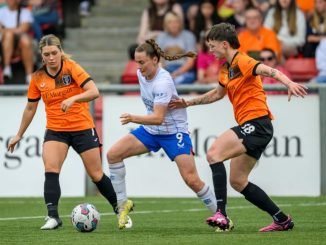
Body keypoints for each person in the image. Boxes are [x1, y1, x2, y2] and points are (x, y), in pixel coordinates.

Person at [169, 23, 308, 232]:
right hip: (253, 125)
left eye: (212, 46)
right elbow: (217, 94)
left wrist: (288, 82)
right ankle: (281, 219)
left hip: (258, 123)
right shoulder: (226, 69)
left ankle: (221, 215)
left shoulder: (242, 60)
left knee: (214, 154)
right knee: (238, 181)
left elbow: (268, 70)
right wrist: (188, 102)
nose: (211, 50)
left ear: (224, 44)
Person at [7, 34, 132, 230]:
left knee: (96, 174)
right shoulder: (37, 77)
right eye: (46, 54)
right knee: (51, 170)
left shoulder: (71, 67)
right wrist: (19, 134)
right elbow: (30, 108)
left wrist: (73, 99)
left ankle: (120, 210)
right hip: (56, 130)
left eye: (54, 53)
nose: (51, 58)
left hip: (82, 127)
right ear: (41, 55)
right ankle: (53, 217)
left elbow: (94, 91)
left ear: (60, 51)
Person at [106, 39, 218, 227]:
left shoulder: (163, 82)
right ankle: (122, 204)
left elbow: (158, 117)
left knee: (191, 179)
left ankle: (221, 215)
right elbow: (155, 121)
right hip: (152, 131)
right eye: (136, 62)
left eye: (142, 62)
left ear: (155, 60)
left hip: (174, 132)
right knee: (113, 155)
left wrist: (133, 117)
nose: (138, 67)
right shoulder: (141, 74)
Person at [156, 11, 197, 84]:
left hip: (184, 70)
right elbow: (159, 60)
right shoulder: (161, 37)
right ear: (165, 24)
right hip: (167, 69)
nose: (173, 25)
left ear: (180, 23)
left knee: (188, 77)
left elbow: (190, 62)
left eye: (176, 22)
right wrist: (164, 74)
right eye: (170, 22)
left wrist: (177, 73)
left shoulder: (189, 36)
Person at [0, 0, 34, 83]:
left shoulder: (25, 12)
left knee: (25, 41)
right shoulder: (1, 12)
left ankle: (29, 75)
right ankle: (6, 68)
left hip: (18, 44)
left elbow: (23, 28)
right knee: (9, 36)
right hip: (2, 43)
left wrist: (6, 30)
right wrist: (9, 32)